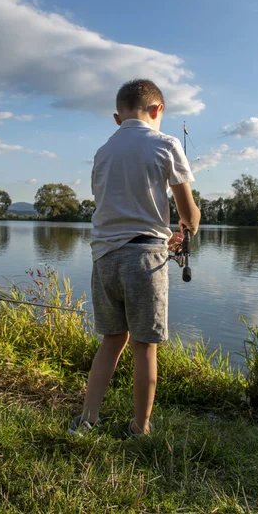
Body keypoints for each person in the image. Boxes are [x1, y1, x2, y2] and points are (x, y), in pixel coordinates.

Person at [69, 79, 200, 437]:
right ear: (158, 110)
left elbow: (116, 208)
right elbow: (188, 214)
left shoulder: (102, 152)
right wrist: (187, 229)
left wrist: (158, 233)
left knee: (112, 339)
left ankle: (87, 420)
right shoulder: (166, 143)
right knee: (144, 346)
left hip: (104, 258)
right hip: (144, 261)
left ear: (117, 117)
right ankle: (140, 428)